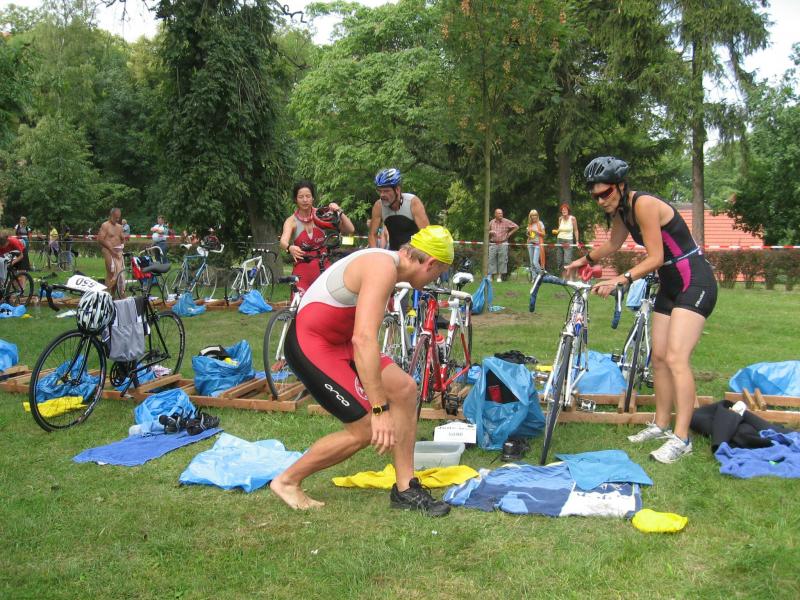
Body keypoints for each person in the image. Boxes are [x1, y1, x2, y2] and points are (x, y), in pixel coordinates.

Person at [270, 225, 455, 516]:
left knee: (405, 389)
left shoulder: (389, 265)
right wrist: (379, 410)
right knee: (366, 428)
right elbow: (364, 339)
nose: (435, 280)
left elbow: (359, 337)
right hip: (312, 344)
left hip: (341, 341)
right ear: (430, 263)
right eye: (439, 273)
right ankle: (287, 481)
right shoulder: (382, 267)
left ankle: (405, 488)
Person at [569, 156, 718, 464]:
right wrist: (584, 260)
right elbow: (612, 245)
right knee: (658, 358)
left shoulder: (644, 204)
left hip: (695, 281)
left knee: (676, 358)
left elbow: (655, 257)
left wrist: (620, 280)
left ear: (621, 186)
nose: (601, 201)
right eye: (595, 196)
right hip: (671, 285)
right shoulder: (622, 212)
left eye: (605, 193)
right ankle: (661, 424)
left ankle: (682, 438)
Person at [279, 180, 355, 294]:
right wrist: (289, 247)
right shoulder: (291, 221)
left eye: (308, 196)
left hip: (323, 269)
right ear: (295, 199)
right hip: (302, 271)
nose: (305, 200)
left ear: (313, 198)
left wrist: (339, 210)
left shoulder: (321, 215)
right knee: (298, 303)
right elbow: (283, 241)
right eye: (301, 197)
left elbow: (350, 229)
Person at [368, 168, 429, 251]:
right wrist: (375, 253)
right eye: (380, 191)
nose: (382, 195)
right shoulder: (378, 205)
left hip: (414, 252)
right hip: (393, 251)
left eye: (386, 191)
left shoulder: (413, 202)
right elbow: (372, 235)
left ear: (397, 190)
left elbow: (427, 234)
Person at [97, 208, 126, 296]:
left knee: (119, 274)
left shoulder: (120, 227)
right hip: (108, 250)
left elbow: (122, 239)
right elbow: (100, 239)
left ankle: (113, 295)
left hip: (118, 251)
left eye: (119, 218)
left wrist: (122, 244)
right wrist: (111, 249)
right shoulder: (105, 225)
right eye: (116, 217)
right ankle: (107, 294)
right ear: (111, 216)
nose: (117, 219)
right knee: (111, 272)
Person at [488, 208, 519, 283]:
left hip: (503, 243)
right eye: (499, 213)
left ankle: (499, 277)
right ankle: (491, 277)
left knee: (502, 260)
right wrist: (490, 232)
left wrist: (509, 233)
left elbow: (516, 227)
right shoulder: (491, 222)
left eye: (501, 213)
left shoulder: (506, 221)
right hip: (493, 243)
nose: (501, 215)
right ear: (495, 214)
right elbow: (486, 231)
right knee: (491, 260)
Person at [555, 203, 579, 280]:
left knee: (567, 260)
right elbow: (560, 229)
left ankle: (570, 278)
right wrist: (556, 231)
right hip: (559, 239)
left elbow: (576, 230)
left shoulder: (572, 218)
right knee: (559, 260)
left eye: (565, 210)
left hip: (568, 240)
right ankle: (563, 278)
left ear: (568, 211)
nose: (564, 211)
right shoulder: (560, 219)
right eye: (562, 210)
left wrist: (577, 241)